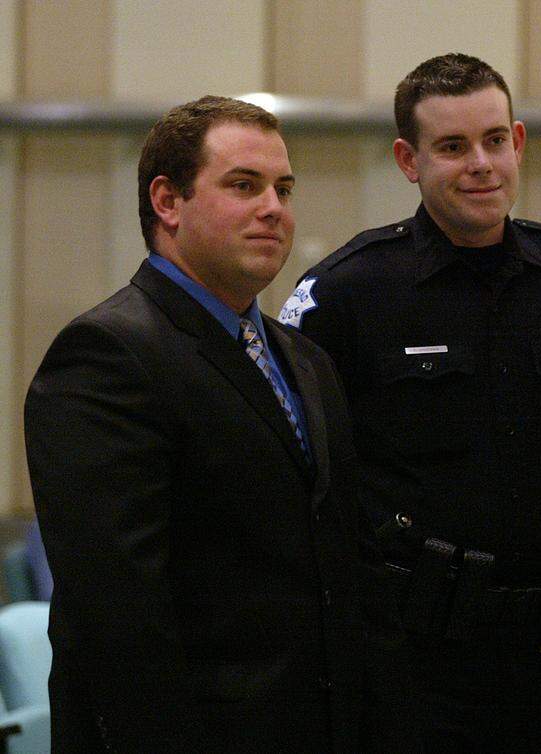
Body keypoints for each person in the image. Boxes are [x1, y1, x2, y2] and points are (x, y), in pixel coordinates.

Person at [283, 53, 541, 750]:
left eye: (494, 140)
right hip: (410, 667)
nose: (480, 163)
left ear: (519, 143)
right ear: (407, 161)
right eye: (452, 147)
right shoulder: (348, 296)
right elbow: (305, 491)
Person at [25, 96, 374, 753]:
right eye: (244, 185)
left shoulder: (304, 358)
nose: (274, 207)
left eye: (284, 188)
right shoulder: (106, 356)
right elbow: (118, 614)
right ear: (167, 201)